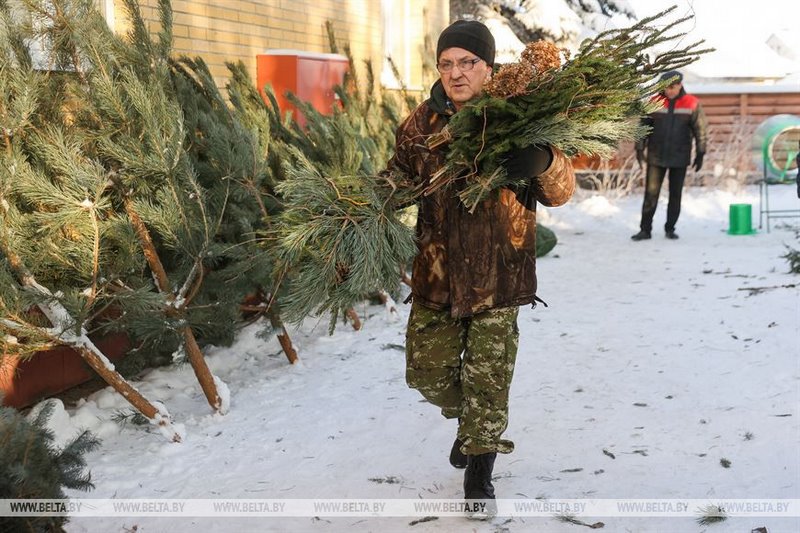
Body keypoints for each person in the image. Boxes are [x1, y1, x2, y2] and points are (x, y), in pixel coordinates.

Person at [382, 20, 575, 513]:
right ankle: (470, 427)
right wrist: (362, 204)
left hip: (499, 275)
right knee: (425, 373)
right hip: (438, 276)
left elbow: (562, 191)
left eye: (467, 62)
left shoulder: (520, 118)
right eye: (446, 64)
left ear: (489, 66)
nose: (456, 73)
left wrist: (544, 160)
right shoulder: (421, 124)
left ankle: (479, 471)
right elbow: (396, 179)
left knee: (488, 383)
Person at [631, 70, 707, 241]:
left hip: (680, 157)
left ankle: (670, 228)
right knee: (651, 194)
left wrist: (701, 152)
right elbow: (642, 128)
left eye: (672, 87)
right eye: (666, 88)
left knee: (675, 194)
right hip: (656, 156)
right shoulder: (654, 102)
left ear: (680, 85)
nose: (669, 91)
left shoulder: (692, 103)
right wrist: (639, 148)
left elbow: (700, 130)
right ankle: (645, 230)